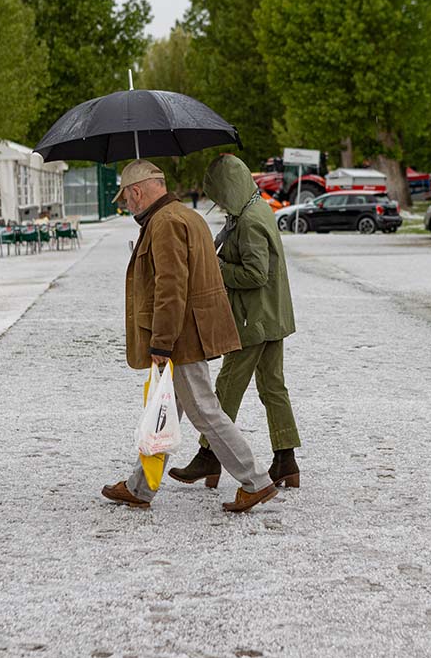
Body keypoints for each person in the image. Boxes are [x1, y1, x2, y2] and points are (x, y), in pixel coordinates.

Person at [101, 160, 277, 513]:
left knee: (204, 411)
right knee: (165, 411)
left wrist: (161, 342)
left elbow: (171, 288)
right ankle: (141, 486)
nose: (128, 205)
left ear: (137, 191)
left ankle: (255, 480)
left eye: (127, 198)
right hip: (190, 332)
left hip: (181, 337)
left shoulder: (164, 223)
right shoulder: (183, 216)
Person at [169, 155, 302, 490]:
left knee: (227, 386)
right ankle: (286, 460)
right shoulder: (254, 211)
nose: (216, 202)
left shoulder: (250, 220)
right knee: (273, 388)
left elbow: (256, 274)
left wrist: (217, 268)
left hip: (254, 319)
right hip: (271, 316)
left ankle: (209, 454)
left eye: (218, 194)